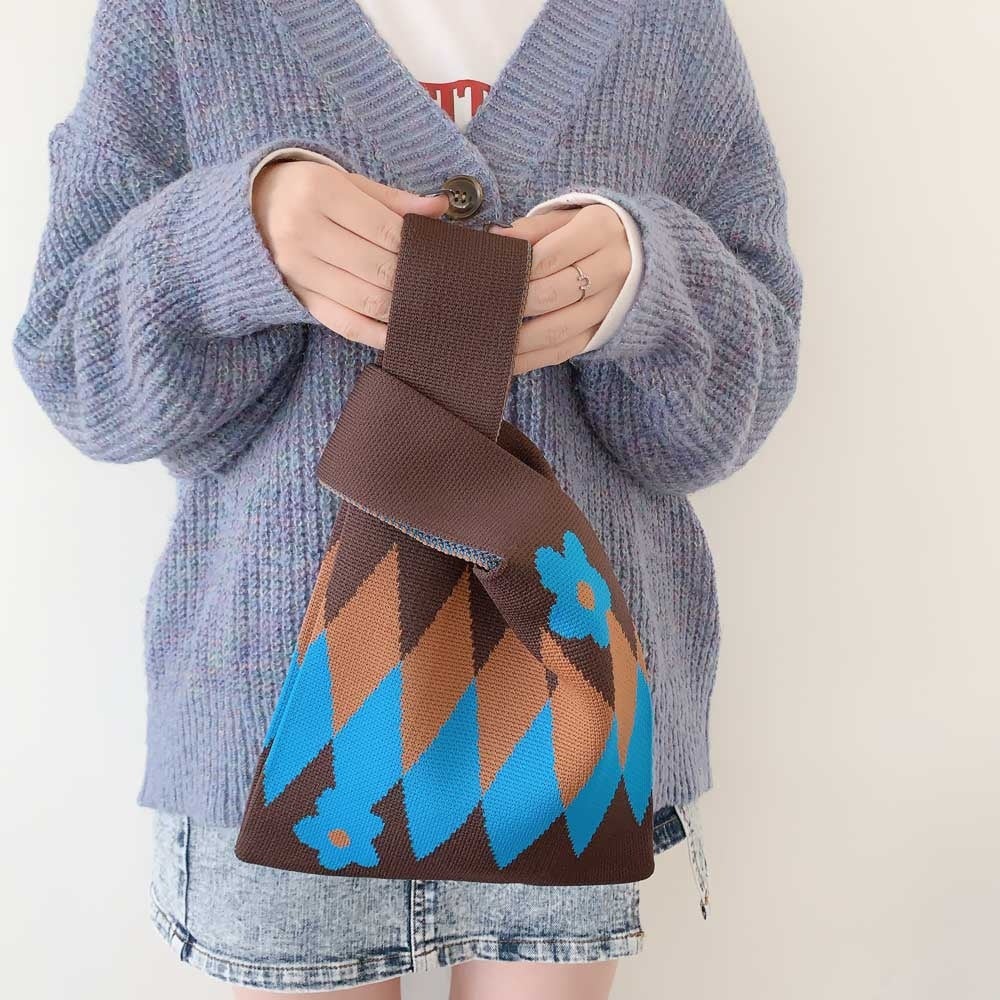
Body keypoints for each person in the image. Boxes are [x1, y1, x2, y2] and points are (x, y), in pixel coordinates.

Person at [12, 1, 801, 997]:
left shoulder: (661, 19)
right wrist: (234, 237)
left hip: (570, 732)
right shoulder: (180, 14)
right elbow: (78, 375)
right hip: (272, 729)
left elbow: (729, 414)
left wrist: (650, 279)